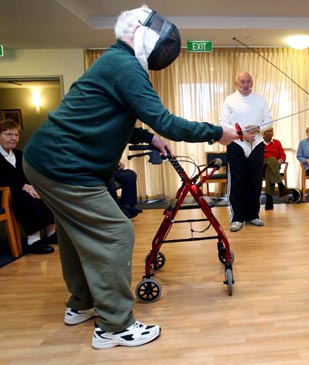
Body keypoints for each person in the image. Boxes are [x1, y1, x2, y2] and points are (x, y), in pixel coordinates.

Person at [22, 5, 238, 350]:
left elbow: (110, 115)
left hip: (46, 162)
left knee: (77, 233)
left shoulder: (117, 62)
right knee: (115, 231)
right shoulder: (124, 65)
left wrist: (145, 137)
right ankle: (115, 326)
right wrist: (218, 132)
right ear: (137, 29)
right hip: (65, 167)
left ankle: (82, 304)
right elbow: (166, 121)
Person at [219, 71, 272, 232]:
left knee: (255, 180)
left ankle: (253, 215)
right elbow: (223, 122)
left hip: (256, 143)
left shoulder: (259, 99)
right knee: (237, 180)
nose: (245, 85)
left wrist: (258, 128)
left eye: (248, 81)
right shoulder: (230, 100)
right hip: (236, 143)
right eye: (242, 82)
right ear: (236, 83)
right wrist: (242, 132)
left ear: (252, 83)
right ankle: (237, 217)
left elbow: (268, 120)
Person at [0, 119, 56, 255]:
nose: (13, 138)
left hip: (22, 189)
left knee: (44, 193)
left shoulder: (19, 154)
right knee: (27, 198)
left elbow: (28, 174)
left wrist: (35, 185)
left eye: (16, 135)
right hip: (4, 194)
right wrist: (23, 186)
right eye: (8, 134)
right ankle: (34, 239)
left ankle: (51, 233)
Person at [262, 127, 290, 210]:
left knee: (270, 171)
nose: (269, 133)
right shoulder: (259, 143)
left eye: (270, 131)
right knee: (271, 159)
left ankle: (269, 200)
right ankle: (281, 185)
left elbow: (282, 155)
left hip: (273, 167)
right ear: (262, 133)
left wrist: (281, 160)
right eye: (267, 131)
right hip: (261, 166)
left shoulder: (277, 143)